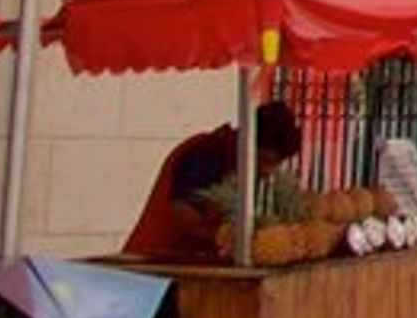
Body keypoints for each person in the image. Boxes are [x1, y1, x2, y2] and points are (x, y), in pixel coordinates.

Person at [122, 100, 303, 264]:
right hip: (155, 264)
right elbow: (180, 211)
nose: (266, 171)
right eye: (264, 160)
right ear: (247, 141)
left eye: (274, 164)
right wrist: (228, 237)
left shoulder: (238, 167)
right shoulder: (205, 154)